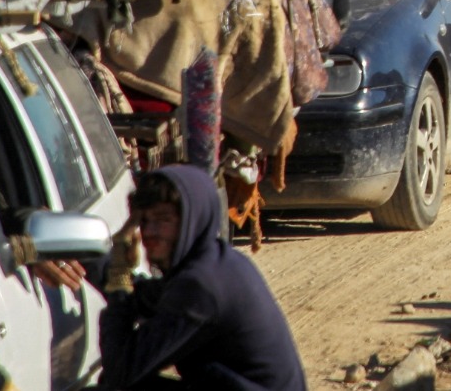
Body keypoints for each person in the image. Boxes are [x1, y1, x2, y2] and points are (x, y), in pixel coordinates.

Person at [99, 164, 308, 390]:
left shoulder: (201, 285)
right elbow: (152, 298)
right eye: (145, 221)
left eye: (163, 219)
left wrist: (119, 278)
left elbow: (119, 371)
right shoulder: (216, 260)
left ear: (191, 221)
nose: (149, 231)